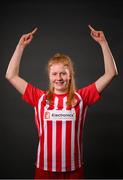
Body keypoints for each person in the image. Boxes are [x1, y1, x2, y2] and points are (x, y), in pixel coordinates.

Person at [5, 25, 118, 179]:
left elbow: (111, 73)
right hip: (44, 168)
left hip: (74, 169)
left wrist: (103, 43)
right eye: (55, 74)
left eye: (63, 74)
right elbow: (11, 75)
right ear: (50, 76)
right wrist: (20, 46)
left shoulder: (82, 97)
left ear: (70, 75)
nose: (59, 78)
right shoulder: (39, 98)